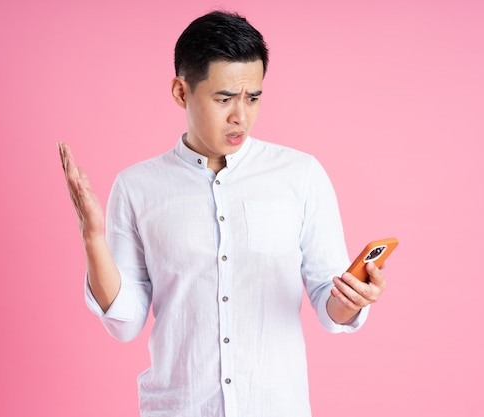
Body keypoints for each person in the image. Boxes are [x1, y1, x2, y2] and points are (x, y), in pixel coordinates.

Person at [58, 10, 387, 417]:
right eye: (224, 98)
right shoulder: (137, 187)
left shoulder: (300, 175)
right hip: (178, 408)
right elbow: (124, 322)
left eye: (253, 98)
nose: (241, 117)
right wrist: (92, 237)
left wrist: (353, 298)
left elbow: (329, 306)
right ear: (181, 92)